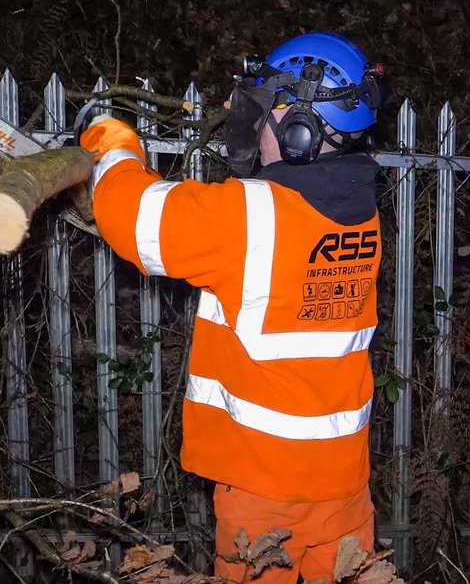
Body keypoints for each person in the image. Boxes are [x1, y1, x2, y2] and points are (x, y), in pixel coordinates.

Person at [74, 33, 390, 583]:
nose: (255, 131)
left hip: (265, 488)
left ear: (300, 130)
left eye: (265, 118)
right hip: (343, 479)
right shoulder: (361, 213)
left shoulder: (252, 216)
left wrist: (115, 146)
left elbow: (136, 219)